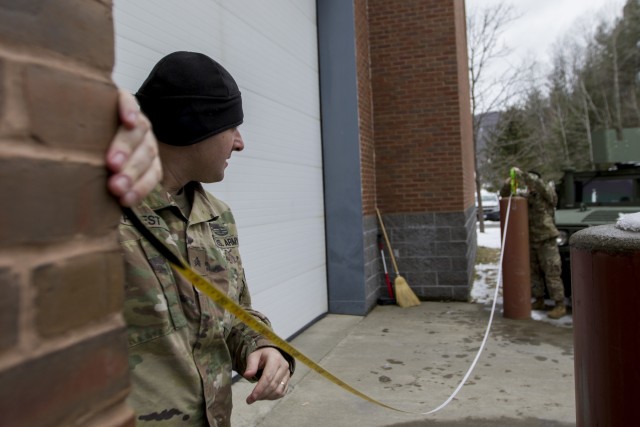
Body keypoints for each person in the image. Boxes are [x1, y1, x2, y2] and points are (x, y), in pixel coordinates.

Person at [110, 52, 295, 426]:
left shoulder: (217, 216)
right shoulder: (95, 215)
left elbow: (235, 314)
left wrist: (266, 347)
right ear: (193, 126)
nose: (240, 143)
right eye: (232, 127)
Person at [500, 168, 566, 319]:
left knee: (552, 273)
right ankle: (539, 300)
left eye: (532, 181)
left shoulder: (547, 194)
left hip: (546, 240)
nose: (530, 184)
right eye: (528, 182)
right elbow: (505, 196)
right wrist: (509, 183)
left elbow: (539, 185)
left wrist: (523, 174)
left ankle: (559, 304)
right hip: (530, 240)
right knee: (534, 273)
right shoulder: (527, 196)